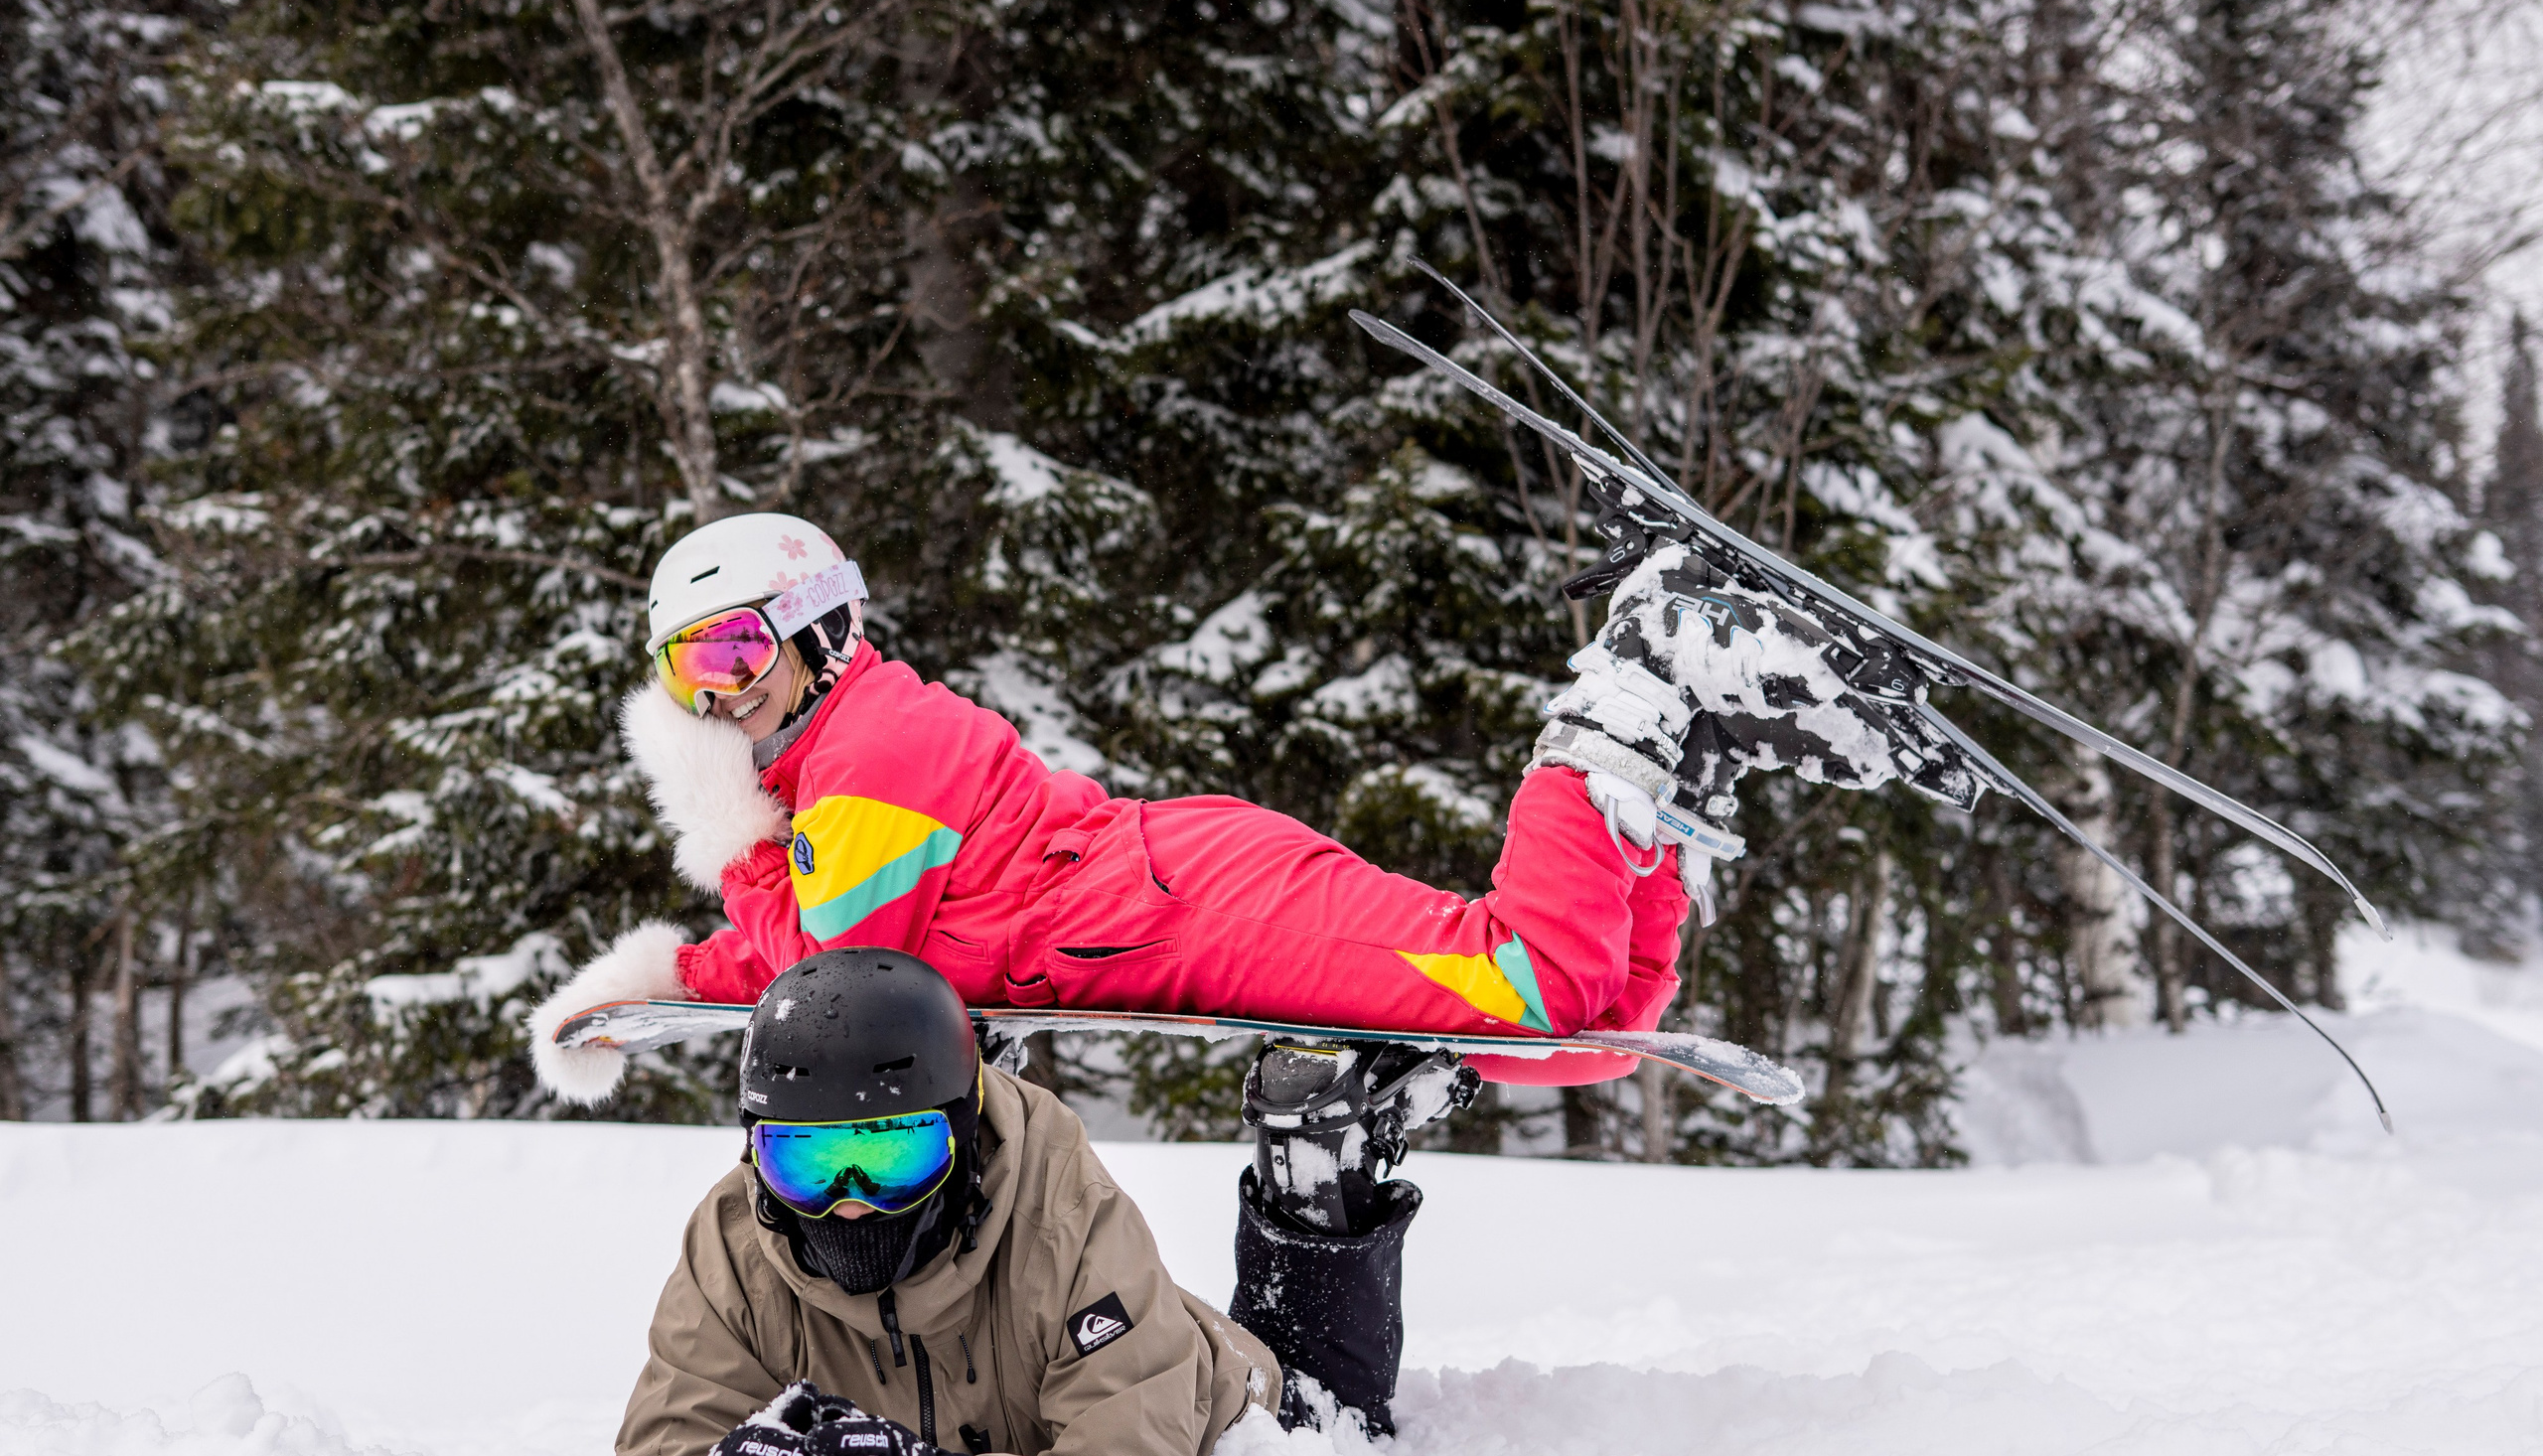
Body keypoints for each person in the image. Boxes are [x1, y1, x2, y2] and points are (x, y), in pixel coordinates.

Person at [529, 510, 1934, 1123]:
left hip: (1194, 903)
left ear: (819, 636)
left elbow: (826, 978)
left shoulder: (874, 745)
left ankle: (1641, 681)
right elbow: (803, 945)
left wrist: (725, 836)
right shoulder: (838, 768)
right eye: (683, 672)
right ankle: (1667, 768)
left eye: (730, 656)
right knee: (1577, 1035)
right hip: (1178, 888)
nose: (712, 699)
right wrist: (670, 971)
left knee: (1529, 993)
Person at [612, 947, 1419, 1456]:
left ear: (963, 1137)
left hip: (1233, 1414)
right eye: (805, 1162)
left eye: (892, 1157)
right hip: (1055, 1393)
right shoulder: (736, 1244)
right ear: (754, 1155)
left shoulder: (1065, 1214)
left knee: (1327, 1403)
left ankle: (1318, 1147)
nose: (848, 1202)